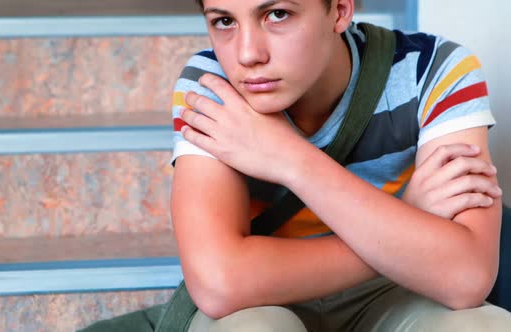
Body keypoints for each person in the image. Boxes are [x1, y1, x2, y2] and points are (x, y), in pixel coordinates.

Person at [170, 0, 511, 331]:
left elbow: (467, 276)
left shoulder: (433, 68)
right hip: (263, 299)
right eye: (224, 21)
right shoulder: (212, 86)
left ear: (340, 11)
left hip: (394, 291)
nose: (247, 55)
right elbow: (220, 284)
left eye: (277, 14)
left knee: (483, 326)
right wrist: (404, 221)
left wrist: (289, 158)